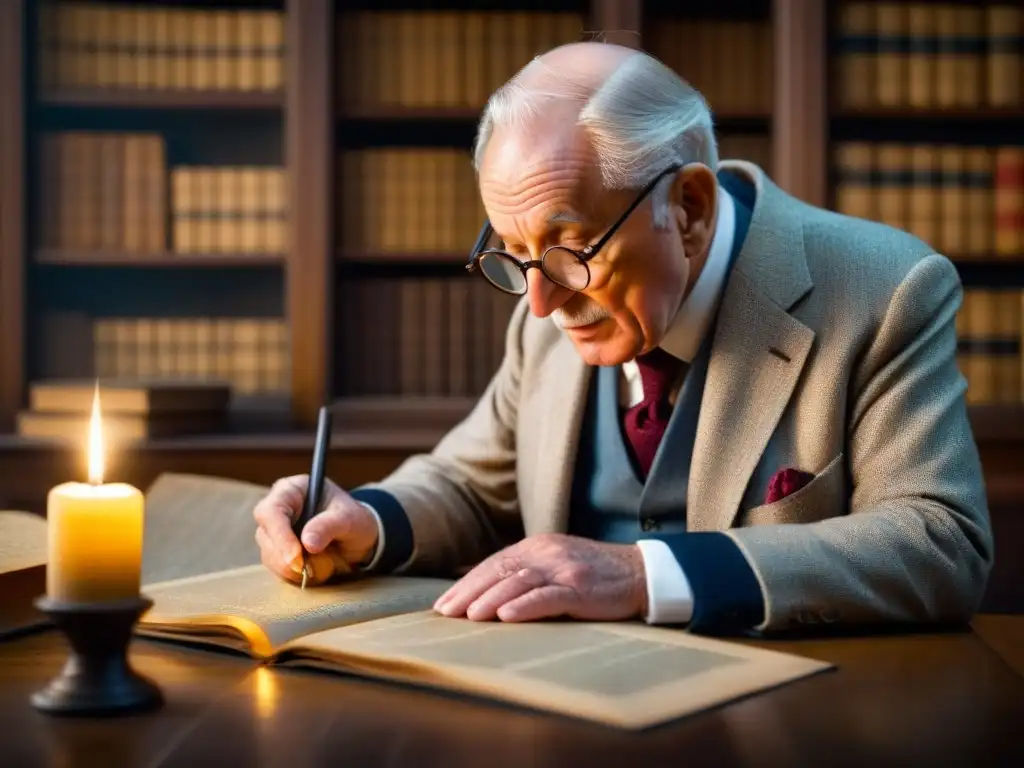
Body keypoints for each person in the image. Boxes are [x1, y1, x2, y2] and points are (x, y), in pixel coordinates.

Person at [253, 42, 993, 635]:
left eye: (573, 249)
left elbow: (939, 543)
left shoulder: (887, 289)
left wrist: (642, 574)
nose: (540, 303)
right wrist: (366, 520)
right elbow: (470, 483)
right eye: (512, 252)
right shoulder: (547, 289)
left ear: (691, 208)